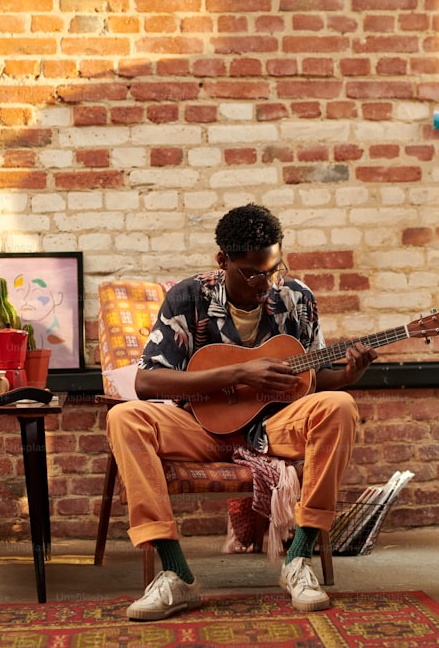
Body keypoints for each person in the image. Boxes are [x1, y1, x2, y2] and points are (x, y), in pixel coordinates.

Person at [106, 203, 377, 621]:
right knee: (123, 418)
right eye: (252, 272)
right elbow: (147, 382)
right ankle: (177, 576)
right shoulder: (188, 296)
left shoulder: (296, 299)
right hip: (198, 427)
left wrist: (348, 375)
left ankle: (298, 560)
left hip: (273, 428)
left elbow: (315, 378)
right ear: (223, 261)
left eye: (272, 269)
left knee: (340, 406)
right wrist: (239, 371)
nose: (264, 283)